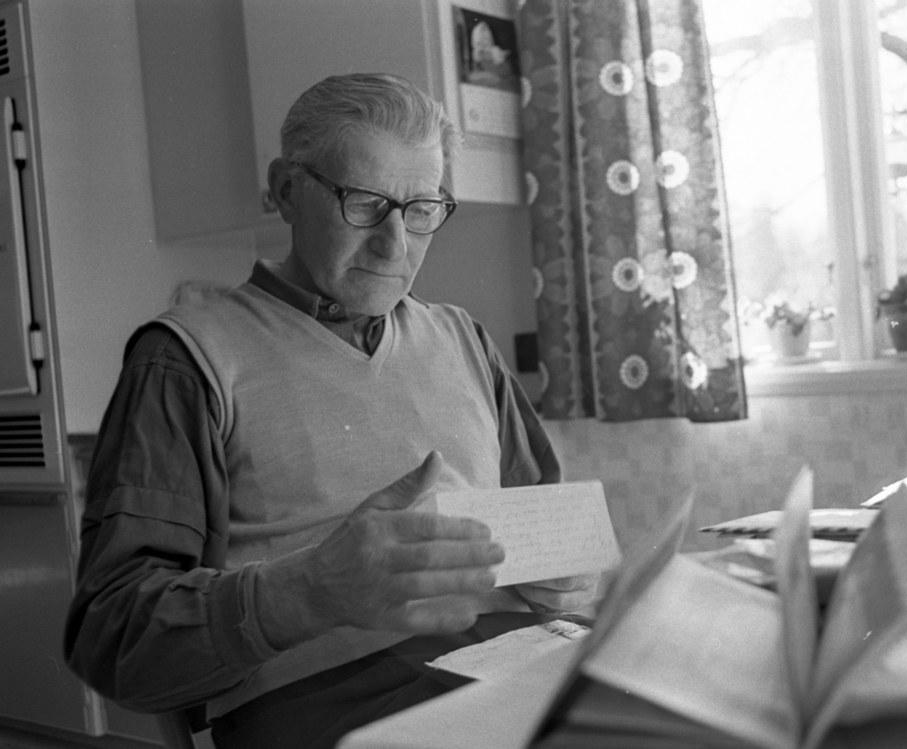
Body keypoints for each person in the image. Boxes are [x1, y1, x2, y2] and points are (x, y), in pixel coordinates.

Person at [64, 73, 597, 749]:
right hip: (338, 702)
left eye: (422, 207)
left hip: (523, 664)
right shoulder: (186, 360)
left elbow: (550, 536)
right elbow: (113, 641)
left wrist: (566, 577)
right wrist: (308, 592)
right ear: (286, 190)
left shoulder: (464, 337)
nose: (395, 245)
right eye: (365, 203)